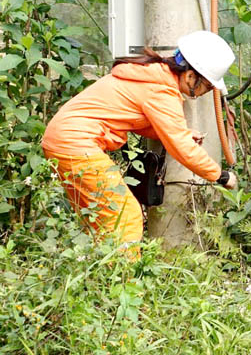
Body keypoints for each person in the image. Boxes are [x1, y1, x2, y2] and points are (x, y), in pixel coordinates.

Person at [42, 31, 239, 257]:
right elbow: (182, 149)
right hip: (76, 143)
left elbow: (135, 117)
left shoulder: (152, 75)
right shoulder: (161, 90)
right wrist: (221, 176)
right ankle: (125, 286)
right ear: (191, 77)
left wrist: (178, 133)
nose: (206, 93)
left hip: (63, 139)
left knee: (102, 220)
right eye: (208, 87)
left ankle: (101, 281)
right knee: (126, 215)